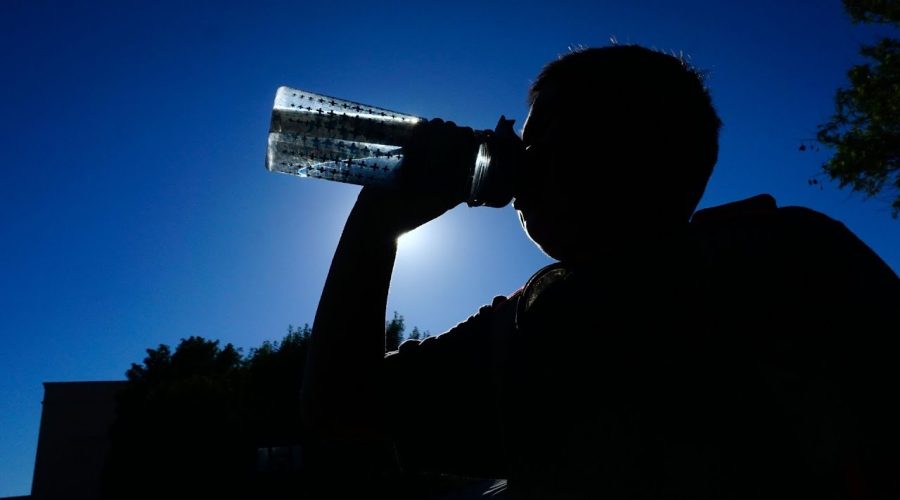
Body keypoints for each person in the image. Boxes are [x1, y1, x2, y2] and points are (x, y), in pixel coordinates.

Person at [301, 45, 900, 499]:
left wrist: (377, 224)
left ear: (629, 146)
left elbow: (341, 403)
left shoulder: (771, 259)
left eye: (542, 139)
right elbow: (343, 409)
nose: (516, 155)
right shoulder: (525, 324)